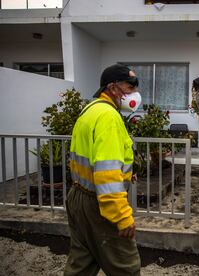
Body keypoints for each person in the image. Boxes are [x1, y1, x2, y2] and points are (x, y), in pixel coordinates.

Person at [65, 64, 142, 275]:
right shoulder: (109, 117)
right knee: (126, 268)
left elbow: (94, 159)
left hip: (78, 196)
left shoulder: (90, 110)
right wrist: (121, 216)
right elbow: (106, 174)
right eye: (130, 86)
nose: (135, 93)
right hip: (100, 204)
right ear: (113, 88)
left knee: (81, 264)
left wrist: (126, 173)